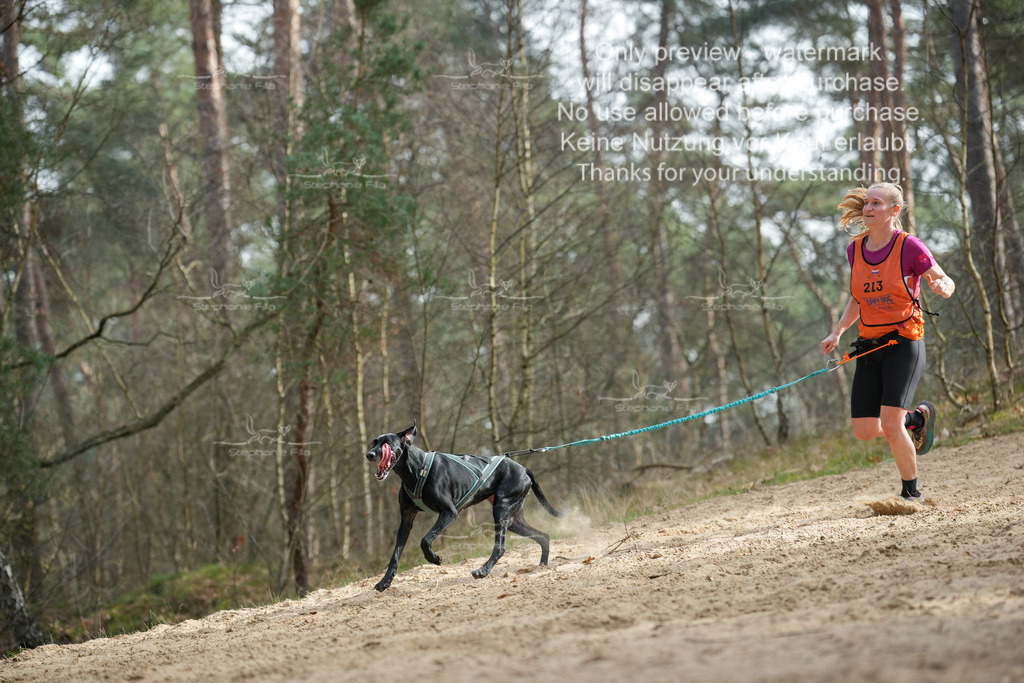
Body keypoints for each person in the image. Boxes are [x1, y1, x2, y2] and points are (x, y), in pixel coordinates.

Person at [820, 182, 955, 503]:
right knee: (865, 430)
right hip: (869, 346)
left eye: (876, 204)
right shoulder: (855, 249)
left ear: (894, 211)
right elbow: (858, 297)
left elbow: (940, 276)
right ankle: (918, 419)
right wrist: (837, 331)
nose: (868, 208)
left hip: (904, 344)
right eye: (867, 203)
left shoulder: (910, 247)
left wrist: (943, 285)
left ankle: (911, 494)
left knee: (891, 423)